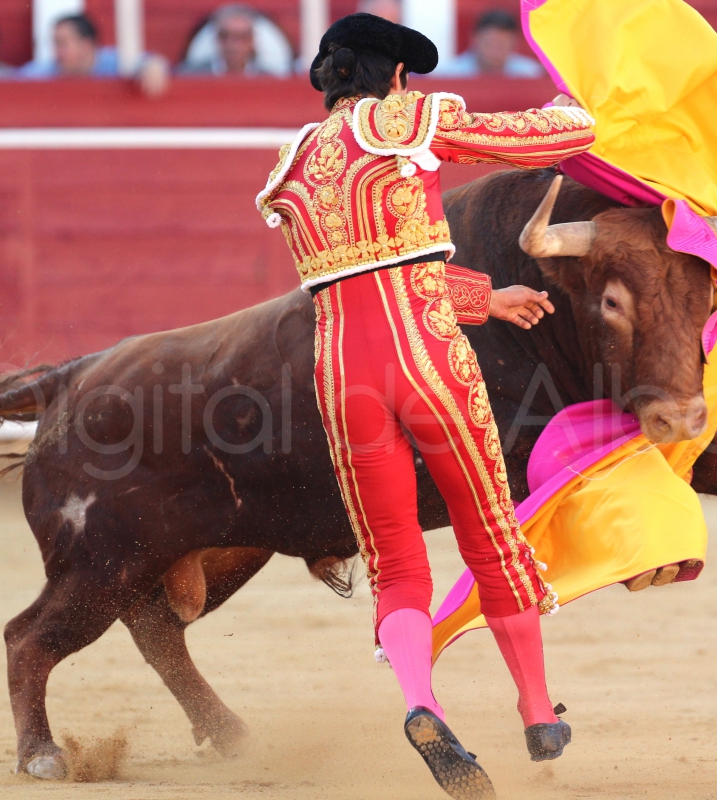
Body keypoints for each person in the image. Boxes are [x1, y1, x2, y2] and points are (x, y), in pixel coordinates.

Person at [256, 12, 595, 798]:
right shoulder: (410, 119)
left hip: (342, 375)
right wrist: (582, 101)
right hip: (429, 362)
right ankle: (538, 712)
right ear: (397, 75)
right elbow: (552, 140)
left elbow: (378, 276)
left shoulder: (294, 166)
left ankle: (420, 700)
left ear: (329, 80)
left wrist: (486, 296)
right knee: (489, 533)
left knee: (396, 560)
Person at [19, 14, 169, 97]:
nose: (56, 51)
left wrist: (153, 66)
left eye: (62, 43)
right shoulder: (46, 70)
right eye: (55, 43)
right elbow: (12, 79)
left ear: (86, 45)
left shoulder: (114, 63)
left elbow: (150, 62)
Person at [179, 4, 290, 77]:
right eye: (225, 36)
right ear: (217, 39)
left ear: (252, 41)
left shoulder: (269, 79)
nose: (232, 45)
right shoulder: (193, 76)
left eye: (241, 37)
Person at [437, 10, 544, 78]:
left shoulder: (530, 73)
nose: (495, 52)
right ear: (474, 39)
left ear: (514, 43)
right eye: (489, 44)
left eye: (501, 45)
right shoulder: (449, 74)